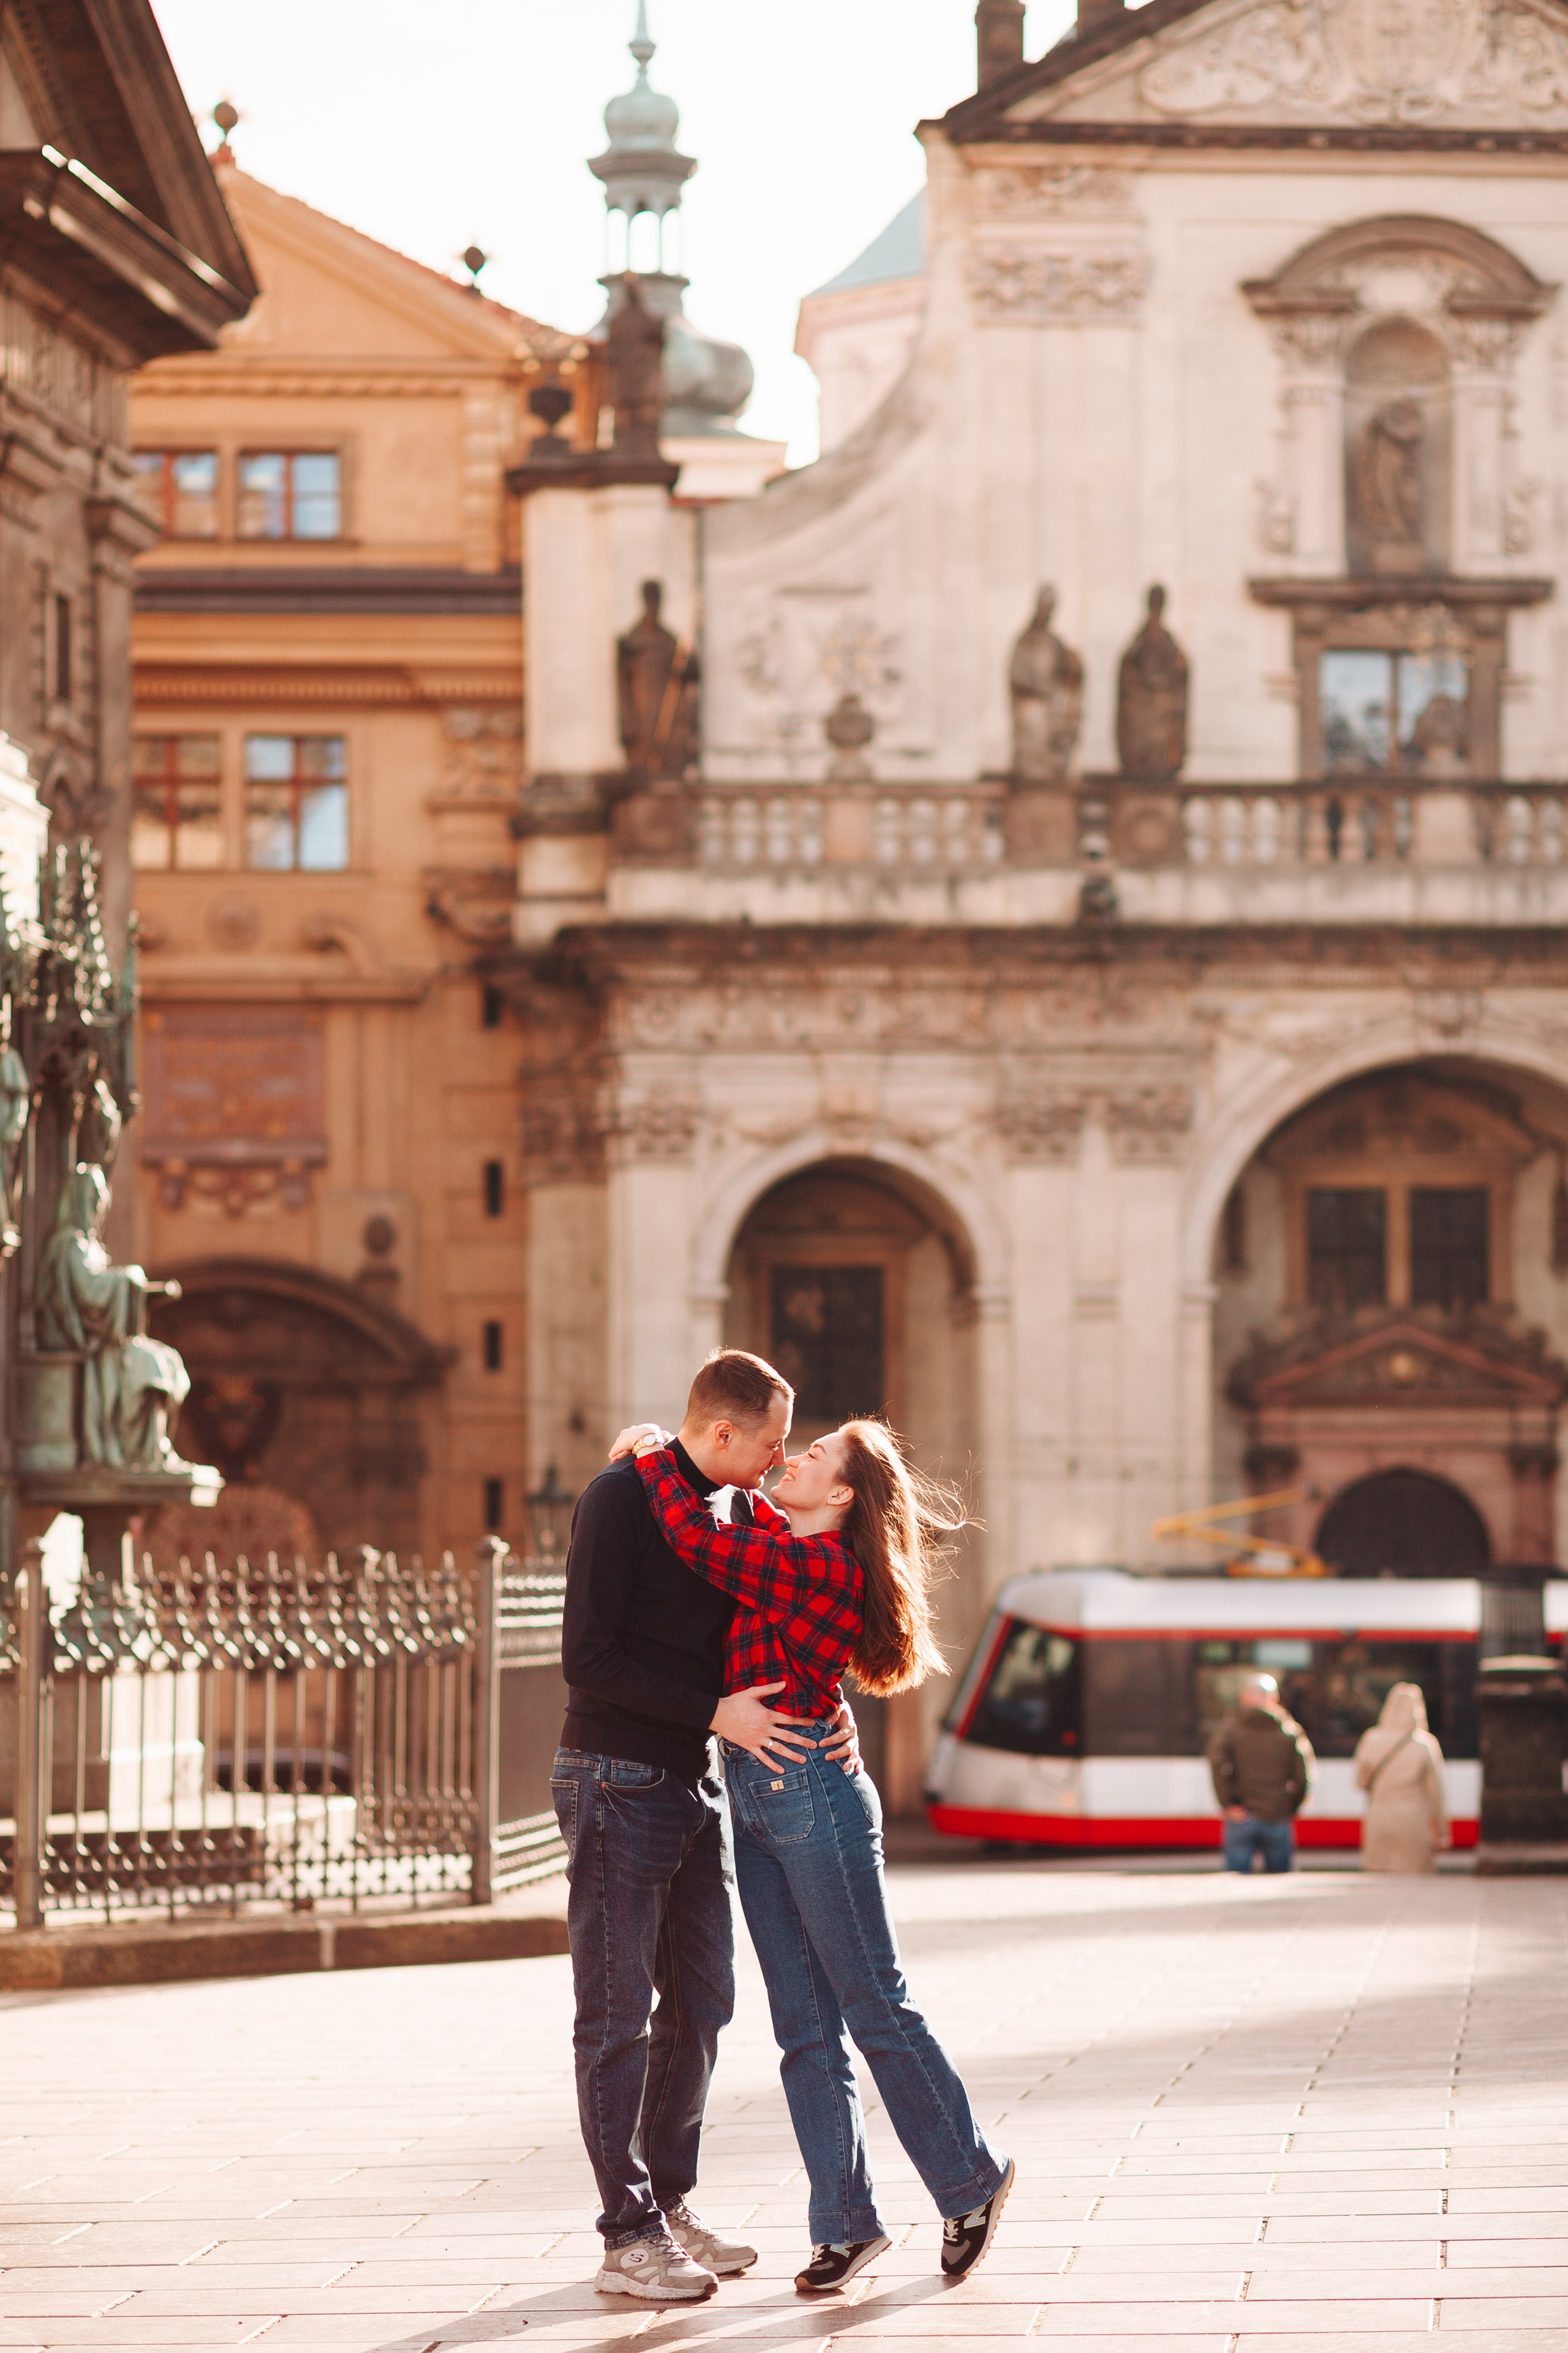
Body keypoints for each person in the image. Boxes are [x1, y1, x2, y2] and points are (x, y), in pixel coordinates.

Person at [611, 1414, 1014, 2297]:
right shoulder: (780, 1540)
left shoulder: (819, 1564)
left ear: (840, 1495)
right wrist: (672, 1443)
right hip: (758, 1795)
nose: (795, 1456)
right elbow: (733, 1510)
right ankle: (845, 2222)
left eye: (818, 1452)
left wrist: (651, 1455)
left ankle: (970, 2179)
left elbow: (694, 1535)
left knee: (874, 2005)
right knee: (802, 2029)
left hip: (812, 1798)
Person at [553, 1348, 860, 2306]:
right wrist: (714, 1711)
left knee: (702, 2002)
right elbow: (586, 1657)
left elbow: (789, 1617)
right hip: (615, 1775)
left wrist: (833, 1705)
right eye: (771, 1443)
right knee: (615, 2018)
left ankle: (668, 2203)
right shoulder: (619, 1497)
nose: (780, 1460)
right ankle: (627, 2236)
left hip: (691, 1781)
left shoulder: (731, 1510)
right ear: (722, 1431)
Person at [1207, 1671, 1316, 1873]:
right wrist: (1290, 1808)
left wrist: (1228, 1804)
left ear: (1245, 1697)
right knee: (1280, 1882)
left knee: (1236, 1881)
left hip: (1241, 1816)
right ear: (1274, 1698)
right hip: (1277, 1816)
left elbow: (1216, 1764)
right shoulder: (1289, 1730)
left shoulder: (1230, 1728)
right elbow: (1304, 1776)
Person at [1354, 1681, 1449, 1872]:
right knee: (1414, 1880)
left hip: (1379, 1821)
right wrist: (1442, 1832)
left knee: (1378, 1878)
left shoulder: (1371, 1739)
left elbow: (1359, 1783)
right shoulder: (1425, 1744)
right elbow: (1436, 1794)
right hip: (1413, 1823)